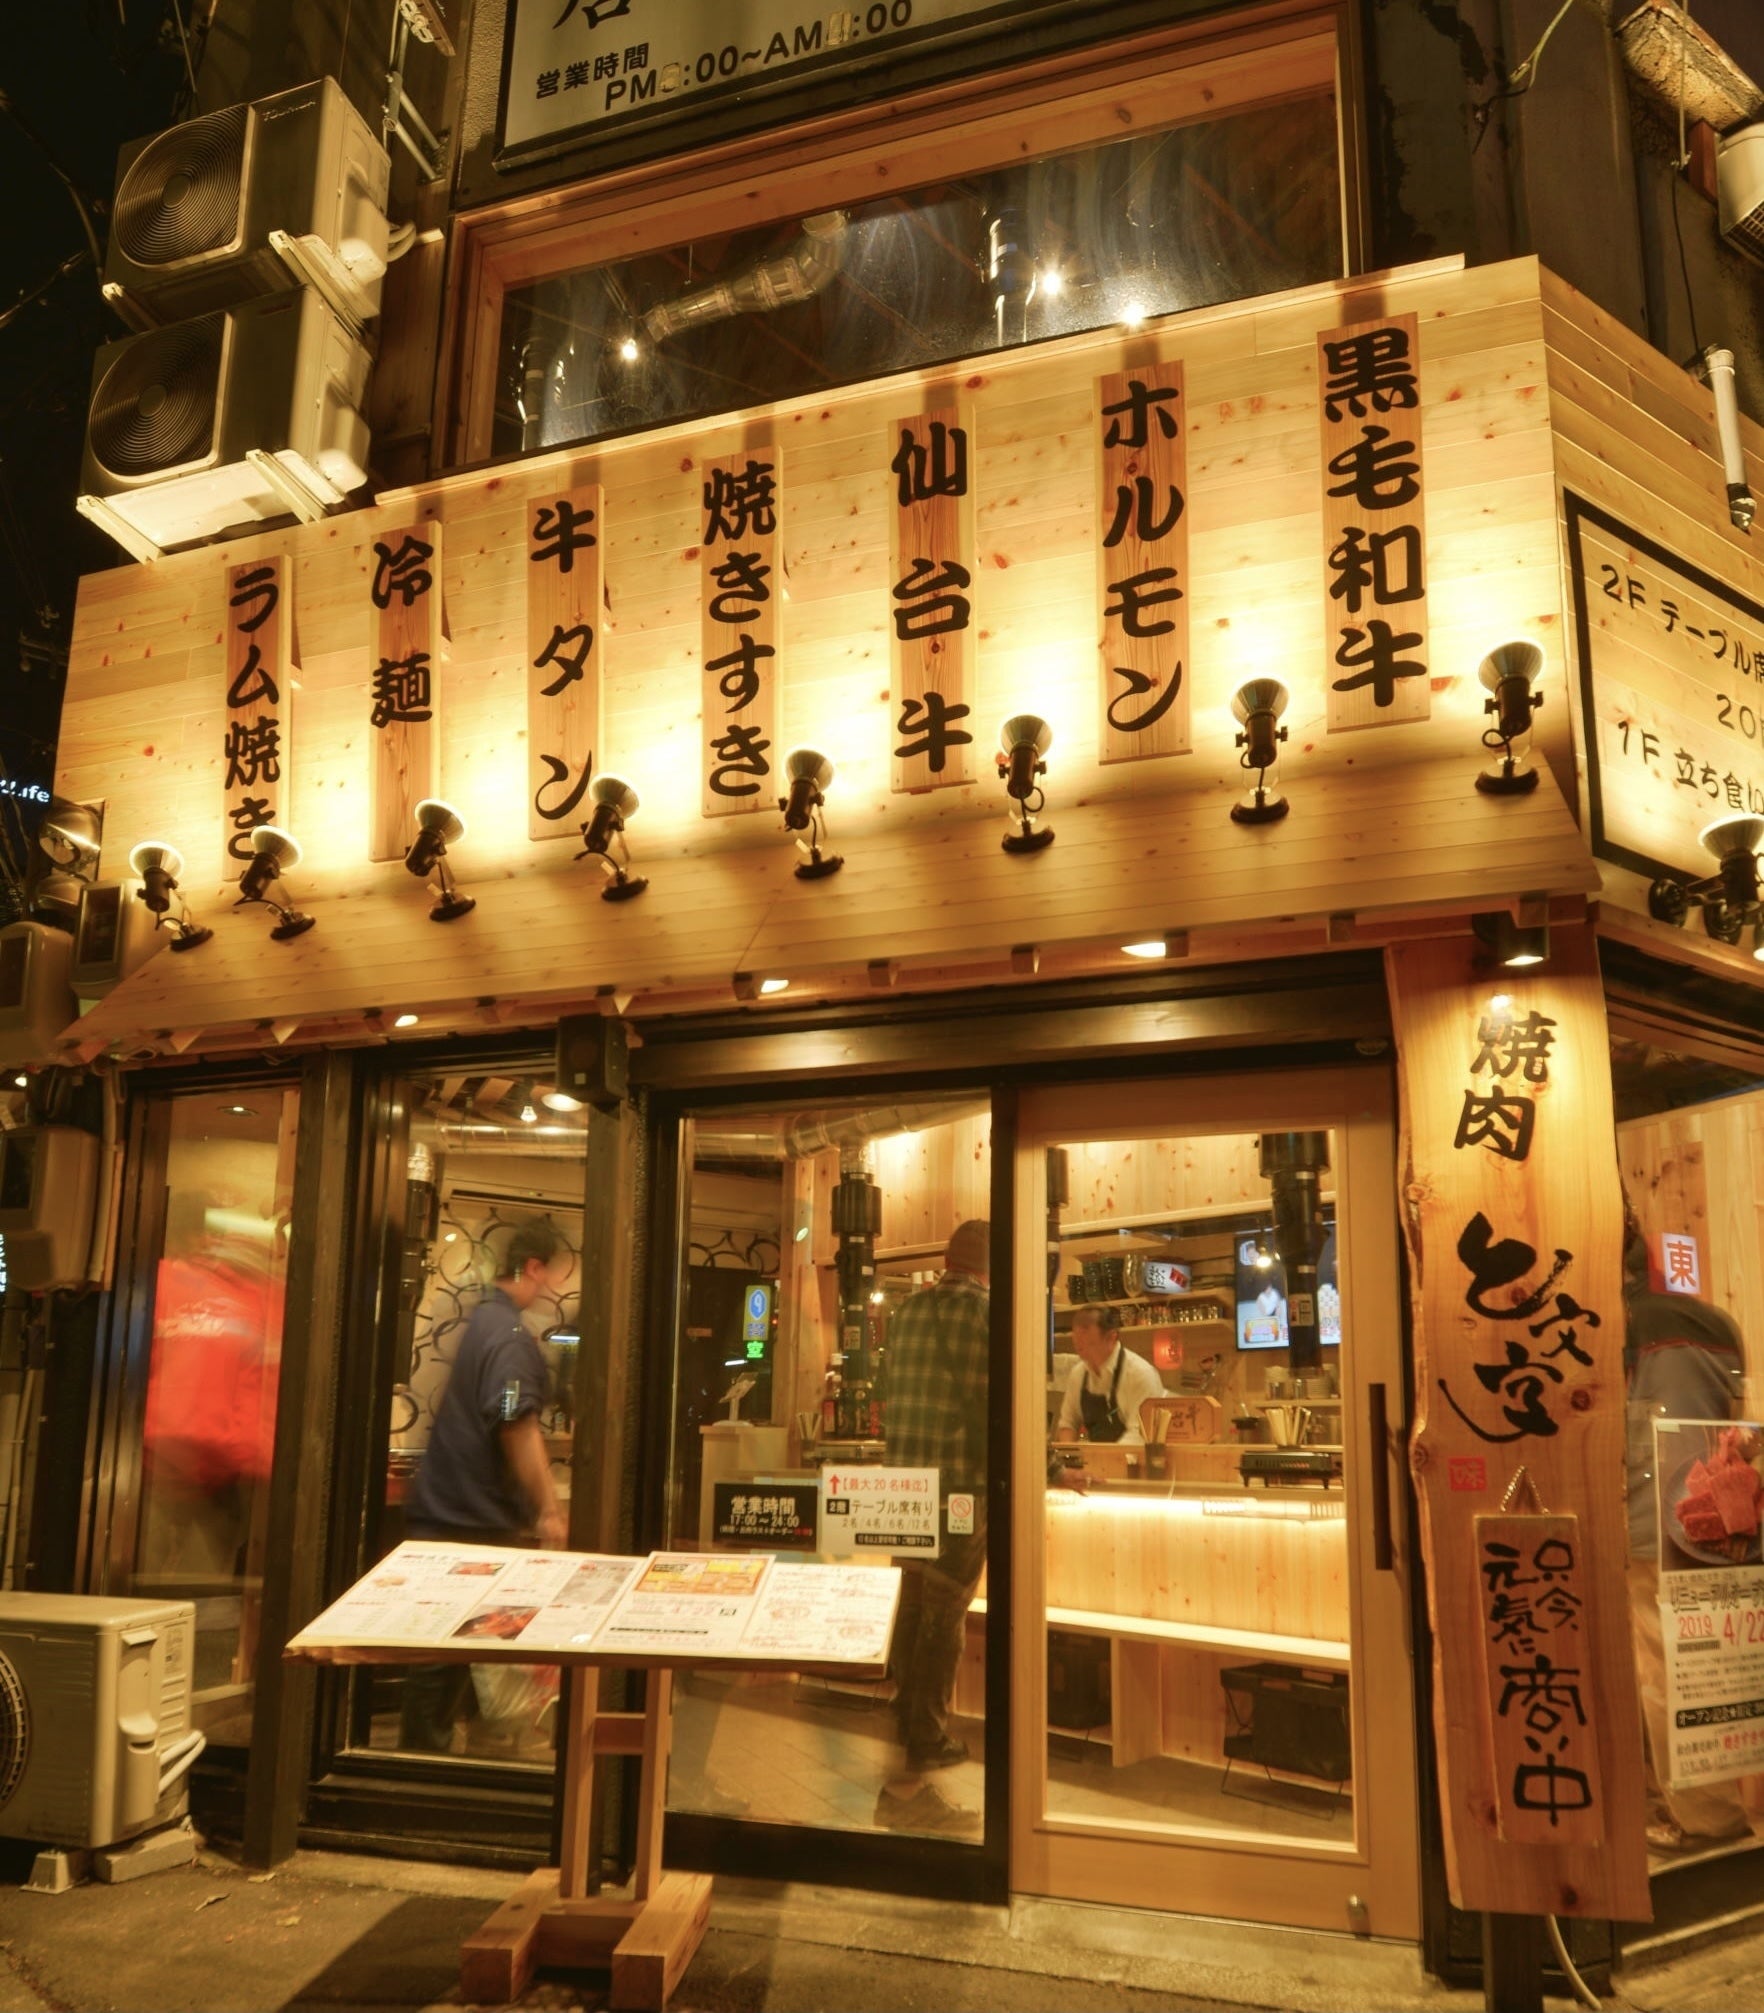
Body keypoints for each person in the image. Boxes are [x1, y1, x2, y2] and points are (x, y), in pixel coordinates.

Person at [398, 1218, 571, 1755]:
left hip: (451, 1510)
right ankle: (421, 1770)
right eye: (551, 1275)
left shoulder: (485, 1320)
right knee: (443, 1660)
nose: (552, 1288)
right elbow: (514, 1422)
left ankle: (453, 1755)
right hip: (467, 1520)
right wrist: (549, 1509)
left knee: (450, 1656)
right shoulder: (510, 1337)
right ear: (533, 1268)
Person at [1622, 1208, 1754, 1854]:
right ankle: (1730, 1803)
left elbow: (1618, 1425)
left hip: (1649, 1525)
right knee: (1716, 1667)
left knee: (1663, 1672)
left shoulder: (1625, 1324)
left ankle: (1701, 1817)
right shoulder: (1722, 1326)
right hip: (1724, 1522)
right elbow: (1737, 1418)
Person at [874, 1218, 990, 1834]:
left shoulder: (907, 1313)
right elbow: (997, 1406)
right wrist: (1051, 1466)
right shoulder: (986, 1314)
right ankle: (925, 1742)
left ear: (948, 1258)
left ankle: (906, 1735)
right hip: (958, 1493)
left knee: (912, 1609)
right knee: (943, 1617)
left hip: (903, 1493)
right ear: (991, 1264)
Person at [1055, 1304, 1165, 1447]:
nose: (1077, 1339)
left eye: (1085, 1331)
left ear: (1111, 1337)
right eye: (1075, 1332)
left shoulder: (1140, 1374)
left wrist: (1105, 1458)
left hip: (1134, 1459)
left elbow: (1139, 1435)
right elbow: (1068, 1424)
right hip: (1095, 1458)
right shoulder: (1078, 1374)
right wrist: (1068, 1453)